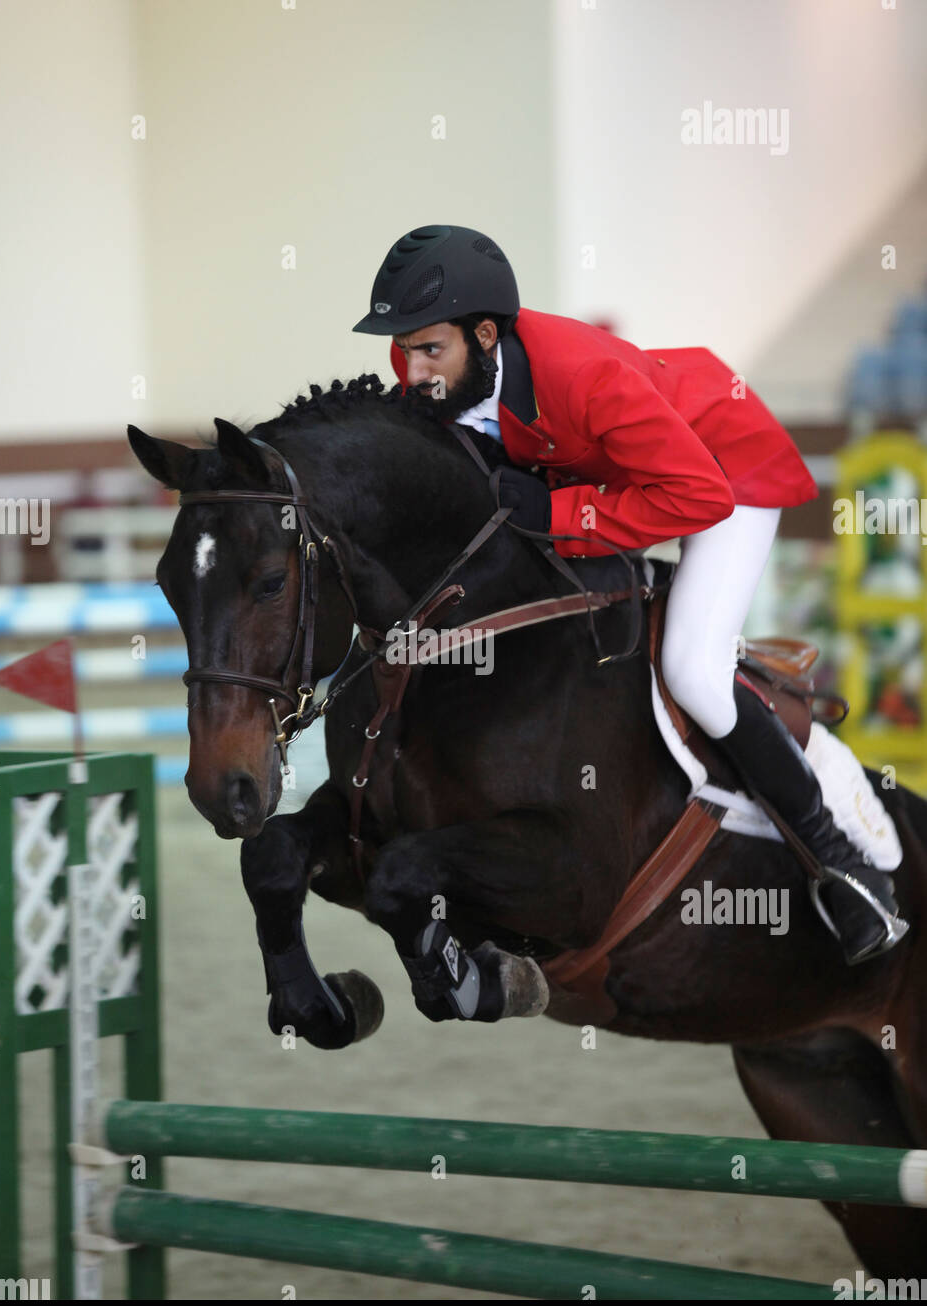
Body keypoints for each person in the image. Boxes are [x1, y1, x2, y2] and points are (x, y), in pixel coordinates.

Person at [353, 224, 908, 965]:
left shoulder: (587, 378)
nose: (413, 371)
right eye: (404, 348)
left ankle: (842, 862)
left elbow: (695, 497)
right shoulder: (443, 361)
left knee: (692, 668)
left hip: (720, 474)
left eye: (429, 351)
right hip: (615, 477)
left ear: (484, 334)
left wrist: (555, 512)